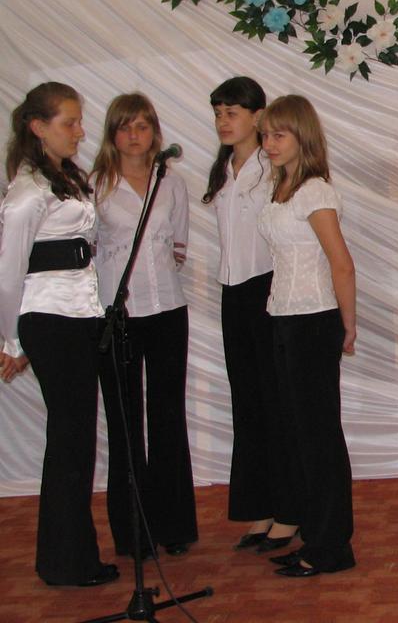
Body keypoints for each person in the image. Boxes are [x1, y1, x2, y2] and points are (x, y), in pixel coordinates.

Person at [0, 83, 119, 586]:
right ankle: (67, 562)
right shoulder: (27, 193)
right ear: (38, 127)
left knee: (75, 440)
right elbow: (8, 272)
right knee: (71, 441)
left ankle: (68, 557)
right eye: (69, 122)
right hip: (50, 319)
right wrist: (10, 342)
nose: (80, 131)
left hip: (79, 315)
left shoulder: (63, 177)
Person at [91, 93, 198, 557]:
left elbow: (178, 246)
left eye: (142, 126)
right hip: (119, 316)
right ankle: (134, 531)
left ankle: (173, 525)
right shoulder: (95, 185)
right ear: (112, 134)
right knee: (126, 422)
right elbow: (90, 253)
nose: (134, 135)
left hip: (168, 310)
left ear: (155, 131)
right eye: (125, 126)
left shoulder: (170, 182)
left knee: (168, 417)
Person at [256, 95, 357, 577]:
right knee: (299, 434)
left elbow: (341, 263)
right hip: (284, 316)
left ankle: (331, 546)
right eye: (265, 135)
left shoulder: (315, 191)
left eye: (279, 135)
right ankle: (316, 536)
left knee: (318, 437)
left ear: (303, 137)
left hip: (314, 319)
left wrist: (348, 324)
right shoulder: (283, 187)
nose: (268, 144)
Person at [204, 77, 299, 553]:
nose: (224, 121)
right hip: (233, 293)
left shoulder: (272, 167)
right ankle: (260, 507)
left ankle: (290, 510)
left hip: (268, 291)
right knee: (247, 403)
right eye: (218, 113)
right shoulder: (223, 170)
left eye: (233, 112)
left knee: (277, 402)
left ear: (258, 116)